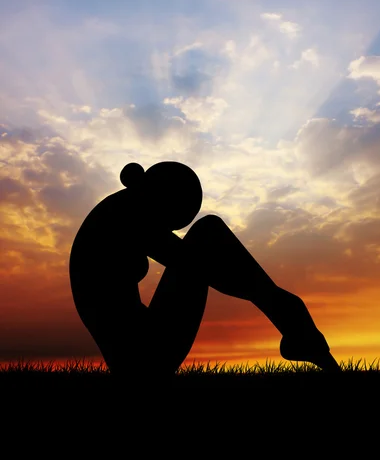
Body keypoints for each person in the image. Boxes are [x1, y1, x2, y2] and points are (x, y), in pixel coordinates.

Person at [69, 161, 340, 381]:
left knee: (208, 242)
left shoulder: (118, 210)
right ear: (163, 200)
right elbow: (199, 266)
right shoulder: (124, 214)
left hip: (138, 351)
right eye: (170, 223)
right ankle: (298, 329)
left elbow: (201, 266)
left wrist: (270, 298)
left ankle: (297, 328)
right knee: (209, 230)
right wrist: (277, 300)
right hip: (142, 358)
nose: (169, 231)